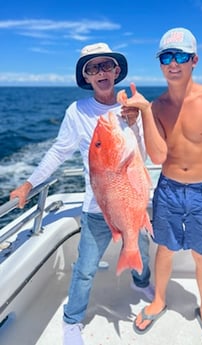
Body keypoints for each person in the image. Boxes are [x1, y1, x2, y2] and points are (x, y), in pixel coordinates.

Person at [9, 42, 158, 345]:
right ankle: (72, 320)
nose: (101, 72)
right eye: (93, 68)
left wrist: (137, 123)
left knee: (140, 247)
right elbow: (59, 151)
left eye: (106, 65)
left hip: (131, 201)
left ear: (116, 70)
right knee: (85, 268)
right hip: (97, 206)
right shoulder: (77, 111)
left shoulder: (135, 106)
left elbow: (146, 154)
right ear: (86, 77)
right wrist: (29, 183)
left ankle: (141, 282)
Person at [118, 27, 202, 345]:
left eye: (180, 56)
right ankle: (159, 299)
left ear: (194, 60)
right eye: (166, 57)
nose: (173, 63)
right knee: (165, 249)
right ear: (160, 63)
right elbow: (160, 156)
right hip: (169, 190)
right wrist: (145, 112)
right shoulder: (158, 106)